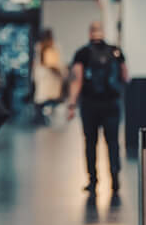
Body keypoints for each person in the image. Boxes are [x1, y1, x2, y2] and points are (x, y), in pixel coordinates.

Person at [67, 21, 129, 195]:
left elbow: (77, 80)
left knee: (90, 142)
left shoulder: (82, 53)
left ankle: (93, 181)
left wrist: (72, 104)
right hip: (112, 104)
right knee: (113, 142)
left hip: (90, 105)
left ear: (90, 33)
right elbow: (125, 76)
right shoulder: (115, 52)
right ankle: (115, 178)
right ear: (102, 32)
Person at [32, 29, 64, 123]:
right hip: (48, 76)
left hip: (47, 76)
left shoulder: (43, 46)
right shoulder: (43, 47)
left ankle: (43, 117)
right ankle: (43, 118)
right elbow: (51, 63)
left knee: (44, 98)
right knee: (45, 98)